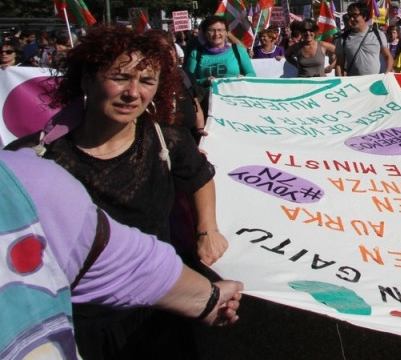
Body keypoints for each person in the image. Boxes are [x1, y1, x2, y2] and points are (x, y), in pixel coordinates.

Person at [6, 24, 229, 358]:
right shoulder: (35, 160)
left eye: (147, 81)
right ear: (86, 79)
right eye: (121, 77)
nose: (133, 92)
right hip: (80, 320)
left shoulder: (167, 141)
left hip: (159, 308)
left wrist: (207, 229)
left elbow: (199, 177)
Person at [0, 149, 243, 359]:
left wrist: (209, 298)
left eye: (148, 89)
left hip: (150, 312)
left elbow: (119, 258)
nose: (133, 93)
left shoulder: (27, 180)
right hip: (89, 324)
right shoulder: (46, 155)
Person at [184, 16, 256, 87]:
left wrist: (244, 78)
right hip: (207, 97)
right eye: (211, 30)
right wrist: (204, 81)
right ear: (205, 33)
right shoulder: (196, 53)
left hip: (235, 95)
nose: (216, 34)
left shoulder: (238, 50)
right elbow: (188, 81)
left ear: (227, 32)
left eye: (220, 30)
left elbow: (251, 74)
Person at [336, 2, 393, 76]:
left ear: (364, 16)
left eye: (355, 15)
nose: (351, 19)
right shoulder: (343, 38)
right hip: (354, 83)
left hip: (375, 82)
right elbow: (339, 64)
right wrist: (341, 81)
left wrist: (387, 73)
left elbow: (388, 56)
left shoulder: (378, 34)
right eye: (349, 16)